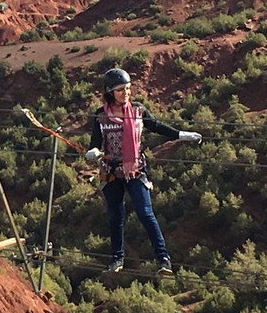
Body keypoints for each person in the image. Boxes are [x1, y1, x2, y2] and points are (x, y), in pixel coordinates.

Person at [84, 67, 202, 274]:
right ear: (110, 91)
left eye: (128, 89)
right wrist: (92, 151)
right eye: (121, 90)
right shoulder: (101, 115)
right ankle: (117, 259)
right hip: (111, 171)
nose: (126, 93)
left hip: (136, 169)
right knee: (115, 215)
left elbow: (156, 126)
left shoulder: (138, 111)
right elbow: (95, 142)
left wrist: (181, 134)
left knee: (145, 213)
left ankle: (163, 259)